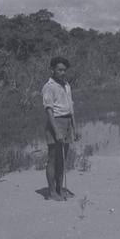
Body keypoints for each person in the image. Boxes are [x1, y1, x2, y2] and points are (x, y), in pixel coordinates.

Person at [42, 56, 79, 201]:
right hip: (55, 122)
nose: (62, 72)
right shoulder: (49, 87)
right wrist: (56, 131)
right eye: (59, 70)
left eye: (64, 70)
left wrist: (75, 127)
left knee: (63, 159)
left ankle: (60, 189)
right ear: (52, 70)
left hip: (67, 122)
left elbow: (71, 108)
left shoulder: (67, 85)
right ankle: (51, 192)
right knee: (53, 159)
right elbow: (49, 110)